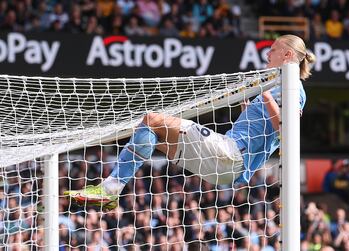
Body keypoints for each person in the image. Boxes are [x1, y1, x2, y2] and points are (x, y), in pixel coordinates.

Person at [64, 34, 316, 210]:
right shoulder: (277, 86)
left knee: (152, 119)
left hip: (230, 156)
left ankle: (111, 188)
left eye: (272, 49)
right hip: (225, 170)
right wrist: (252, 108)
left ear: (287, 54)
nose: (267, 53)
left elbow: (286, 127)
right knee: (151, 135)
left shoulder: (293, 87)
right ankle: (110, 190)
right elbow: (267, 124)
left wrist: (264, 94)